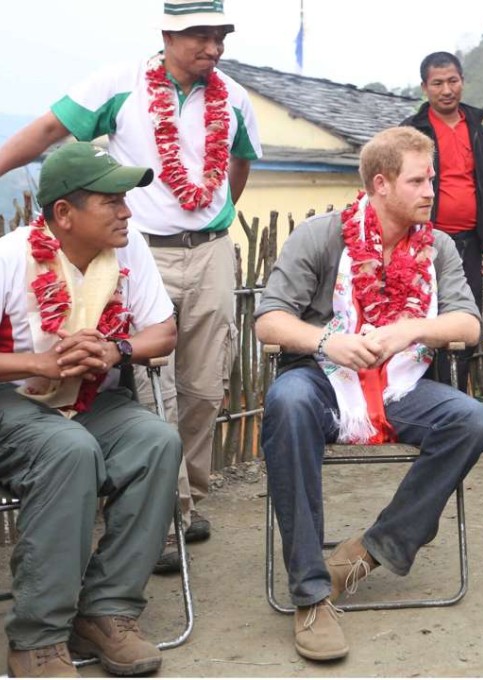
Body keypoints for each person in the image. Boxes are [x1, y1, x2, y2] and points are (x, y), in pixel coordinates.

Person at [0, 0, 262, 570]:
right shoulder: (119, 83)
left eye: (221, 37)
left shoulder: (235, 98)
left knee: (203, 388)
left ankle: (185, 500)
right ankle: (164, 518)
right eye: (200, 36)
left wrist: (211, 219)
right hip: (139, 251)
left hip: (211, 253)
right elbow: (49, 130)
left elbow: (239, 164)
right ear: (167, 34)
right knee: (151, 389)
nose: (213, 48)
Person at [255, 127, 483, 662]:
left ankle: (370, 550)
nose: (431, 190)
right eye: (418, 180)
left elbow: (468, 324)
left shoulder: (439, 245)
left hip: (405, 382)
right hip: (322, 378)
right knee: (287, 402)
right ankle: (311, 595)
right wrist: (326, 341)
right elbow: (268, 320)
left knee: (472, 420)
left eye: (432, 178)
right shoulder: (321, 236)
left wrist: (410, 330)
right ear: (381, 185)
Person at [0, 143, 181, 677]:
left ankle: (106, 610)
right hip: (13, 402)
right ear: (64, 214)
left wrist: (115, 350)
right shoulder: (9, 256)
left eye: (125, 199)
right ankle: (38, 636)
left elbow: (163, 331)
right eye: (112, 200)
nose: (127, 211)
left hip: (95, 398)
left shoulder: (129, 249)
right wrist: (40, 362)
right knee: (69, 449)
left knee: (156, 441)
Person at [402, 51, 483, 389]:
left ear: (463, 81)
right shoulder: (412, 132)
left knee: (465, 317)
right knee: (423, 315)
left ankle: (457, 394)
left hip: (470, 242)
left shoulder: (476, 126)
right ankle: (422, 391)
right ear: (424, 87)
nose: (447, 89)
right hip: (424, 242)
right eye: (438, 83)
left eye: (453, 81)